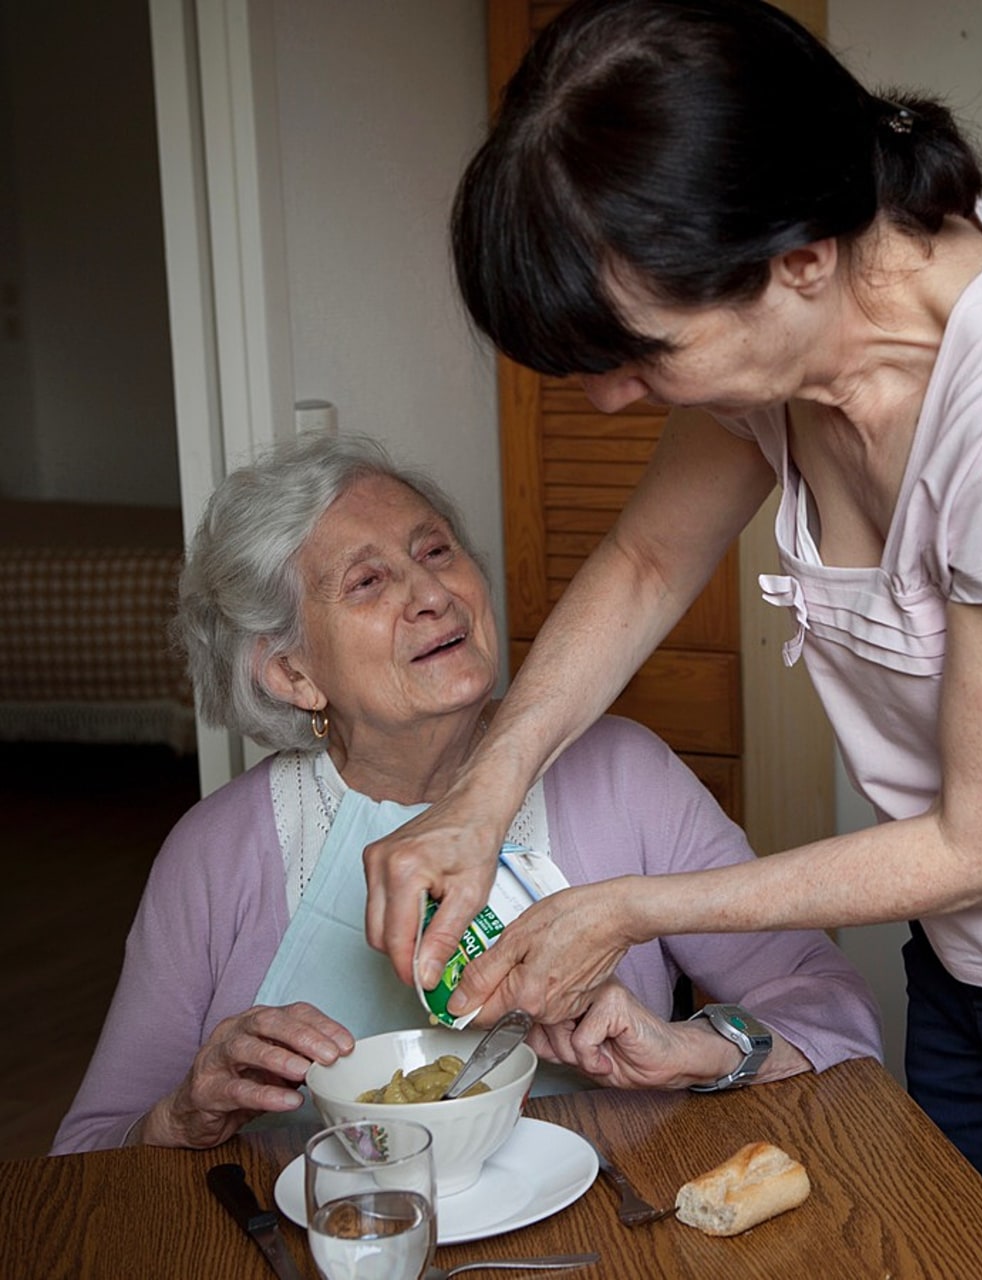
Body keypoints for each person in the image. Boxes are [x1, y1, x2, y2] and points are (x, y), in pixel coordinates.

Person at [357, 2, 982, 1277]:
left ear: (797, 258)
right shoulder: (791, 351)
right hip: (967, 961)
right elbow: (639, 563)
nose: (612, 398)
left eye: (642, 355)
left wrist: (624, 910)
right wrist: (481, 791)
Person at [50, 431, 881, 1156]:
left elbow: (832, 1011)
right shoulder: (217, 850)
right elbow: (90, 1152)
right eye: (369, 583)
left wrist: (698, 1048)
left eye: (437, 551)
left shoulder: (623, 775)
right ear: (293, 673)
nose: (433, 594)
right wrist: (179, 1116)